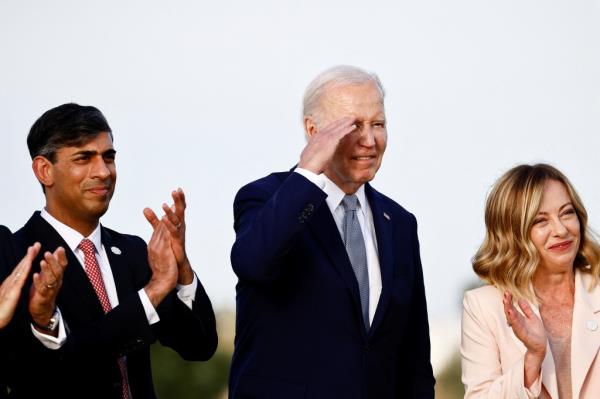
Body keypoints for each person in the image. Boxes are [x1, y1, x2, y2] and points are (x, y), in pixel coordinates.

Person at [229, 65, 435, 398]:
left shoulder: (399, 222)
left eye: (378, 124)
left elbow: (413, 358)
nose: (369, 140)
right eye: (353, 125)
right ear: (313, 131)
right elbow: (253, 262)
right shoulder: (267, 198)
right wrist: (308, 171)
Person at [3, 103, 218, 398]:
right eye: (84, 158)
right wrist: (152, 293)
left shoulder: (132, 251)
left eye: (109, 157)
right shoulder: (16, 257)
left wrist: (181, 269)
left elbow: (199, 346)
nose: (103, 172)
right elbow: (55, 366)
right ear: (44, 170)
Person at [461, 163, 600, 398]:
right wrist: (532, 359)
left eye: (567, 212)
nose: (561, 230)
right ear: (512, 234)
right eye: (540, 221)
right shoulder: (482, 307)